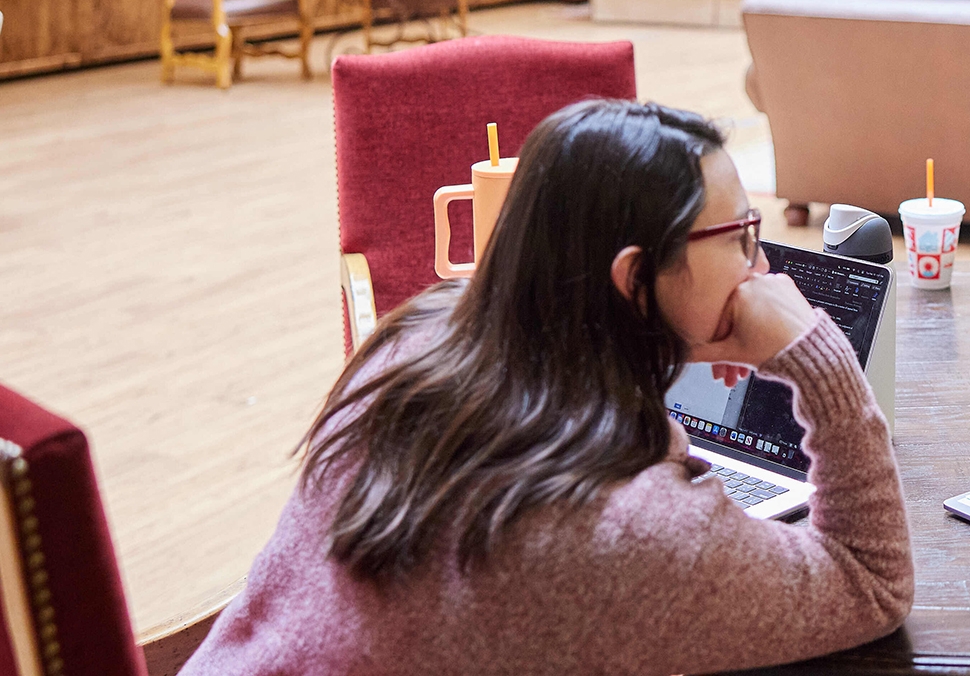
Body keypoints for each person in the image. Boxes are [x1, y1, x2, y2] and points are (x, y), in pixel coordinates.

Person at [182, 101, 914, 673]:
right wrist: (817, 360)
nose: (759, 269)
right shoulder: (633, 535)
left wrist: (659, 348)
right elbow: (871, 583)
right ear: (632, 280)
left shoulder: (420, 340)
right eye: (740, 239)